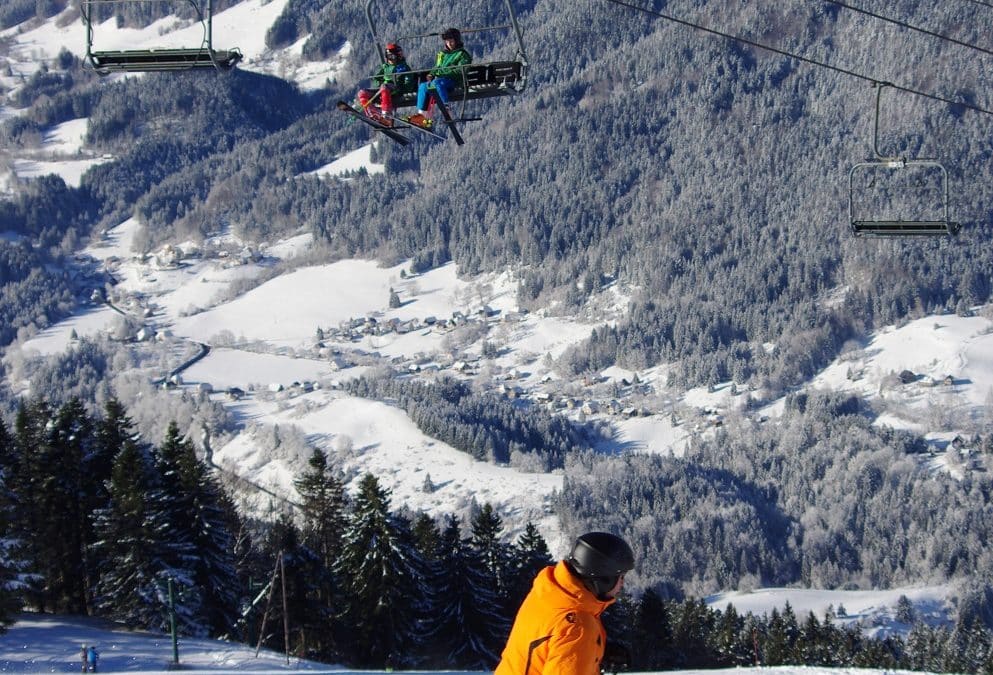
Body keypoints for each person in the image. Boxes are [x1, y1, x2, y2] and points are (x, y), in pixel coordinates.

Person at [494, 531, 635, 675]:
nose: (622, 584)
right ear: (604, 579)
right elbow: (568, 637)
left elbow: (549, 644)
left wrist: (596, 650)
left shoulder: (550, 596)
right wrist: (583, 646)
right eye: (620, 577)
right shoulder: (578, 627)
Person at [404, 28, 471, 129]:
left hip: (454, 81)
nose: (449, 43)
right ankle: (422, 116)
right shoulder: (443, 54)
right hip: (440, 81)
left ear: (457, 40)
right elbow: (437, 67)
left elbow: (460, 71)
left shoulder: (462, 54)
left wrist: (442, 72)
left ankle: (446, 109)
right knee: (423, 86)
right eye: (447, 41)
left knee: (438, 82)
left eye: (451, 41)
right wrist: (432, 73)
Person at [356, 42, 414, 126]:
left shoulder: (403, 67)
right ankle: (373, 113)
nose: (391, 59)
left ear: (398, 56)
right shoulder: (385, 67)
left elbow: (408, 82)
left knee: (385, 87)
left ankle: (387, 116)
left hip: (396, 89)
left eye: (393, 56)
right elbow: (376, 78)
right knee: (362, 93)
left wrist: (402, 88)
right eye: (389, 56)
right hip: (384, 89)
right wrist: (379, 82)